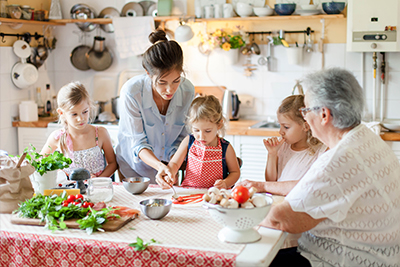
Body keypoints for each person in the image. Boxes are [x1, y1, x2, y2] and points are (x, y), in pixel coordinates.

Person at [262, 68, 400, 267]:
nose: (306, 118)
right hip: (382, 257)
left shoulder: (339, 159)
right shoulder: (366, 138)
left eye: (306, 110)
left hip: (339, 260)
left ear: (324, 115)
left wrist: (233, 212)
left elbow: (280, 220)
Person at [116, 29, 195, 183]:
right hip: (134, 166)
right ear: (148, 73)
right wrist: (160, 166)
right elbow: (138, 143)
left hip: (170, 165)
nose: (170, 89)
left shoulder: (187, 91)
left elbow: (182, 138)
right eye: (162, 82)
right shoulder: (132, 92)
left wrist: (172, 166)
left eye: (176, 80)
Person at [237, 95, 327, 196]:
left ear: (305, 126)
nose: (281, 132)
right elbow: (270, 181)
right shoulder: (283, 147)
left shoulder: (320, 151)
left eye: (286, 127)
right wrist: (272, 154)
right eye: (280, 126)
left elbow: (310, 187)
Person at [155, 95, 240, 189]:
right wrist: (170, 173)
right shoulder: (189, 141)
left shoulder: (226, 148)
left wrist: (225, 183)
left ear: (219, 125)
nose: (201, 136)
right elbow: (174, 163)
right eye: (196, 130)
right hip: (189, 192)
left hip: (215, 195)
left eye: (208, 131)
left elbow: (235, 172)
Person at [41, 82, 117, 178]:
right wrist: (59, 172)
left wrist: (98, 180)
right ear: (61, 113)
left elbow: (112, 163)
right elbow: (41, 160)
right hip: (71, 191)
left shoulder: (100, 133)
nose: (81, 118)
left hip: (96, 189)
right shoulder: (57, 137)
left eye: (85, 112)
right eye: (74, 114)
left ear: (89, 107)